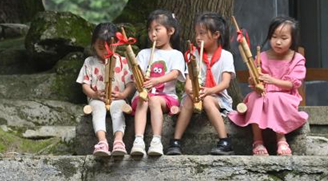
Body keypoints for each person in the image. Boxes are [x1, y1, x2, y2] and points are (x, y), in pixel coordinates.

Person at [229, 15, 308, 156]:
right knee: (254, 98)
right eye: (274, 37)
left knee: (274, 99)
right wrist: (254, 81)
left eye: (284, 38)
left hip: (286, 95)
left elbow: (293, 84)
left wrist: (272, 80)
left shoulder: (297, 58)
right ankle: (258, 141)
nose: (278, 42)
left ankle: (281, 139)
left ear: (292, 39)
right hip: (262, 93)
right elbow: (253, 81)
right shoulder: (262, 56)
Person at [167, 12, 235, 156]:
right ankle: (175, 141)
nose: (198, 37)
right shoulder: (194, 55)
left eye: (202, 33)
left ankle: (224, 140)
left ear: (216, 35)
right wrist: (192, 91)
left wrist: (208, 91)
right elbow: (188, 83)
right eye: (197, 33)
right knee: (187, 99)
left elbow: (225, 83)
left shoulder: (226, 56)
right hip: (195, 95)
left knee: (208, 100)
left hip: (217, 97)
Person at [131, 10, 186, 158]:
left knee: (154, 100)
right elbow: (137, 74)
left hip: (166, 96)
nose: (152, 34)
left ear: (170, 31)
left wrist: (156, 80)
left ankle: (156, 141)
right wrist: (139, 81)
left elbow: (175, 73)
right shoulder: (144, 53)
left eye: (157, 29)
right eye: (150, 30)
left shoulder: (176, 54)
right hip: (144, 95)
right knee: (144, 98)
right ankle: (138, 140)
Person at [77, 22, 135, 157]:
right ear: (93, 46)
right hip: (97, 99)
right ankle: (102, 141)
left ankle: (119, 141)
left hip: (117, 98)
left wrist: (123, 94)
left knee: (118, 108)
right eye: (101, 47)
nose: (105, 51)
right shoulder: (89, 62)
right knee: (97, 108)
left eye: (110, 47)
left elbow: (131, 83)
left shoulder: (123, 61)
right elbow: (84, 84)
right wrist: (94, 94)